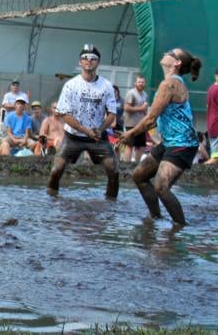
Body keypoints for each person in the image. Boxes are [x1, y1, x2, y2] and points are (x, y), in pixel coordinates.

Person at [118, 48, 202, 226]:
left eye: (170, 52)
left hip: (183, 143)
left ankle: (181, 227)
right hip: (170, 142)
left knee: (161, 186)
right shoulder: (170, 82)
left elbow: (150, 120)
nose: (165, 53)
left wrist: (129, 134)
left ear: (177, 63)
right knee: (139, 175)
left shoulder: (170, 83)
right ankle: (155, 217)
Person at [47, 44, 119, 199]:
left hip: (98, 137)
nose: (89, 61)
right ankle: (51, 198)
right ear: (80, 62)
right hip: (73, 137)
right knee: (56, 170)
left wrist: (100, 129)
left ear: (98, 63)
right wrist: (85, 130)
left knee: (113, 170)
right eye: (85, 58)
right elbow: (64, 114)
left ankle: (111, 203)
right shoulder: (71, 85)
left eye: (93, 58)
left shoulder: (106, 86)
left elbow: (112, 114)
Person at [123, 75, 149, 163]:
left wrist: (147, 118)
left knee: (141, 146)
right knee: (129, 145)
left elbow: (145, 109)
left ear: (145, 83)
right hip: (131, 124)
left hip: (141, 125)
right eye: (139, 82)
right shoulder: (131, 93)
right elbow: (126, 108)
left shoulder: (145, 94)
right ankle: (127, 164)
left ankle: (136, 164)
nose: (141, 84)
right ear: (135, 83)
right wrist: (140, 109)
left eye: (142, 82)